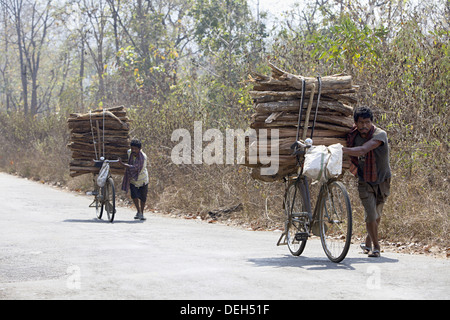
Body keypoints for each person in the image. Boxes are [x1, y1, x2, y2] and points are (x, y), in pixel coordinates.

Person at [343, 106, 391, 258]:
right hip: (364, 181)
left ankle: (368, 241)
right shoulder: (353, 136)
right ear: (355, 123)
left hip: (383, 180)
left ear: (371, 122)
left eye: (367, 122)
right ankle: (376, 247)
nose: (364, 126)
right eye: (361, 122)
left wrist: (340, 149)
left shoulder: (380, 134)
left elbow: (363, 150)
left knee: (377, 214)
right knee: (371, 215)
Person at [119, 139, 149, 221]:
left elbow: (135, 168)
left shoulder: (143, 157)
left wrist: (123, 164)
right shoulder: (129, 153)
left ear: (139, 149)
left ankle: (142, 213)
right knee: (134, 196)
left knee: (143, 198)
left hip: (142, 179)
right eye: (132, 148)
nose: (134, 150)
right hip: (133, 179)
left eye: (136, 149)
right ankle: (138, 211)